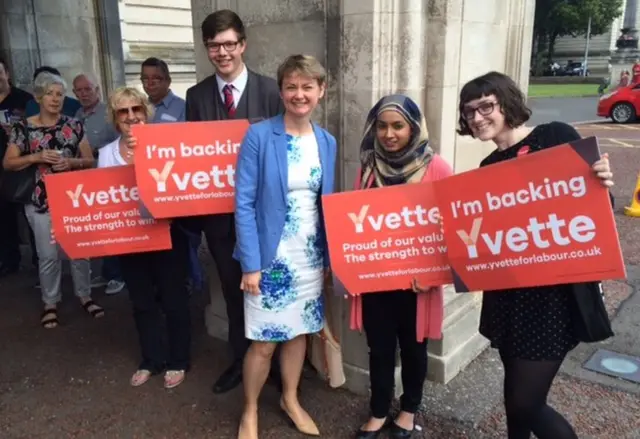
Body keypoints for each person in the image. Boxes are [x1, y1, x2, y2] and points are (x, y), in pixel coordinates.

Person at [457, 71, 614, 439]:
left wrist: (601, 182)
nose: (477, 118)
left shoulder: (555, 135)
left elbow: (596, 211)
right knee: (515, 399)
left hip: (550, 300)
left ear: (506, 103)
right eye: (469, 112)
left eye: (486, 107)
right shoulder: (486, 169)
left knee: (527, 403)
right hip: (508, 297)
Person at [234, 54, 335, 439]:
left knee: (298, 335)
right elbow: (242, 202)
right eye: (291, 86)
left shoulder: (326, 141)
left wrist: (326, 256)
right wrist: (251, 263)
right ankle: (249, 411)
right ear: (281, 91)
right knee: (263, 343)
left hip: (308, 257)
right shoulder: (260, 136)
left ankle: (290, 398)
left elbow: (325, 204)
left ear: (321, 91)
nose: (299, 94)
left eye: (307, 86)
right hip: (269, 259)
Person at [183, 9, 284, 394]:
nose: (222, 52)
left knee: (270, 288)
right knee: (231, 289)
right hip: (220, 218)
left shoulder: (272, 92)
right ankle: (241, 362)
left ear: (242, 44)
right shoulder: (196, 96)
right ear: (207, 49)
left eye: (229, 44)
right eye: (214, 46)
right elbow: (191, 156)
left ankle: (273, 366)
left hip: (264, 216)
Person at [349, 95, 452, 439]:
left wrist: (434, 274)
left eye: (398, 125)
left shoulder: (436, 168)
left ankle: (408, 409)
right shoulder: (367, 167)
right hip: (378, 281)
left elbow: (452, 229)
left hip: (416, 284)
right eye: (382, 126)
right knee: (378, 348)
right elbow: (355, 224)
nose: (389, 134)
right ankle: (378, 410)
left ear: (413, 127)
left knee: (413, 347)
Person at [99, 87, 191, 389]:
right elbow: (100, 199)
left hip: (166, 231)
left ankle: (178, 359)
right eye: (123, 111)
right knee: (141, 301)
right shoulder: (105, 154)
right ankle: (151, 359)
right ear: (115, 118)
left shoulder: (164, 146)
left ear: (145, 112)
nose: (131, 116)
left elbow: (181, 185)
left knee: (174, 297)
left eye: (136, 109)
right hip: (129, 238)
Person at [2, 72, 100, 329]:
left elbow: (90, 160)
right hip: (39, 199)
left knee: (79, 252)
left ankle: (85, 296)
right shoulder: (23, 127)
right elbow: (8, 163)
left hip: (72, 198)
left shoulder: (74, 124)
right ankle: (50, 302)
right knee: (47, 255)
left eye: (59, 94)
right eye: (49, 94)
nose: (55, 99)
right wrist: (35, 157)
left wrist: (72, 162)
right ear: (38, 97)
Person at [72, 72, 124, 295]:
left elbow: (119, 143)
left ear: (97, 90)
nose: (83, 94)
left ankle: (118, 276)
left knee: (113, 227)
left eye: (87, 89)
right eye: (79, 90)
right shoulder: (76, 114)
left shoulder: (107, 114)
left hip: (109, 180)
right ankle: (107, 272)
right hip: (86, 181)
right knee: (98, 228)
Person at [0, 56, 34, 277]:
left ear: (7, 74)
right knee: (3, 218)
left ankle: (41, 263)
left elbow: (38, 128)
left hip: (22, 167)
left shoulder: (24, 99)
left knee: (30, 216)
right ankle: (10, 261)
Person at [140, 57, 186, 123]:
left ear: (168, 81)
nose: (150, 83)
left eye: (156, 78)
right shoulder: (138, 109)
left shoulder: (183, 108)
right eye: (145, 78)